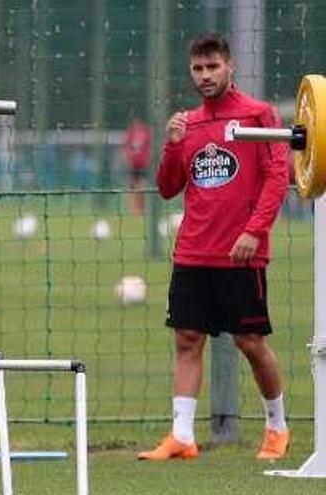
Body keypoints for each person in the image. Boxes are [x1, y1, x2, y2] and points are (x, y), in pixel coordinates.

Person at [138, 33, 290, 462]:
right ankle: (182, 437)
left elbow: (278, 179)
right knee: (187, 340)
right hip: (192, 252)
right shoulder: (188, 123)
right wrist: (170, 144)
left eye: (213, 67)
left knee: (250, 341)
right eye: (197, 69)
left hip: (242, 252)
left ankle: (277, 428)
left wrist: (253, 231)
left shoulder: (258, 115)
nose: (205, 76)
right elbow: (168, 188)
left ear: (230, 67)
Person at [122, 116, 151, 215]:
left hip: (143, 164)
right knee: (132, 188)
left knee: (141, 187)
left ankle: (142, 209)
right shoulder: (131, 132)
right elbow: (126, 147)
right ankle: (134, 210)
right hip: (133, 165)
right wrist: (127, 158)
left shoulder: (146, 132)